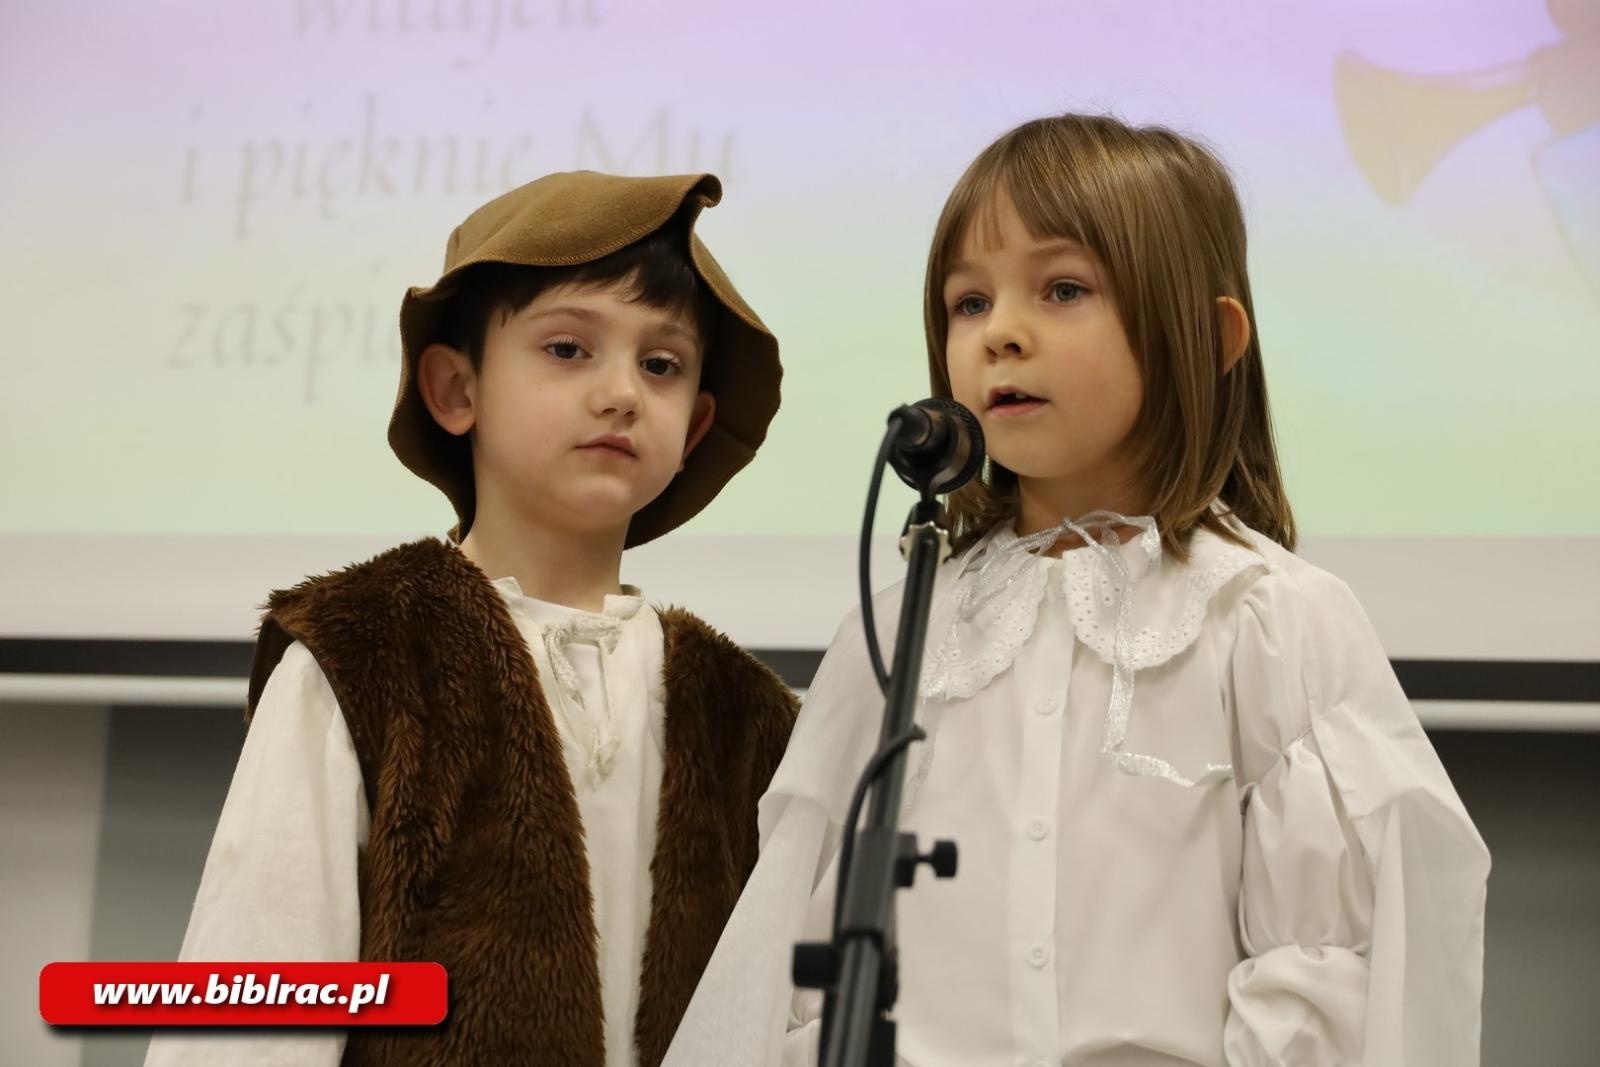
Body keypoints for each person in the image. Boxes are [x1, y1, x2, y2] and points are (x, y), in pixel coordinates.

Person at [664, 115, 1489, 1067]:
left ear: (1208, 334)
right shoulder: (900, 631)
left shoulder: (1266, 617)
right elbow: (798, 956)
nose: (1001, 334)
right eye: (967, 303)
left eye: (1063, 290)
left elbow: (1328, 958)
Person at [146, 170, 798, 1067]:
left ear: (694, 428)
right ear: (456, 389)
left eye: (661, 363)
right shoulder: (366, 651)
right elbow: (258, 993)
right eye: (569, 348)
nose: (621, 391)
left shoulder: (747, 714)